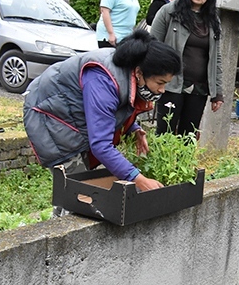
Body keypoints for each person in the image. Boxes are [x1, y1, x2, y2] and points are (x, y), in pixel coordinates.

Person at [23, 30, 182, 192]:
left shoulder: (129, 66)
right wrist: (138, 178)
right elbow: (100, 144)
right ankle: (64, 217)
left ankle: (62, 214)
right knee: (77, 190)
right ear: (140, 72)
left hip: (70, 112)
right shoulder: (103, 79)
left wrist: (133, 128)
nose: (162, 90)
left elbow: (117, 105)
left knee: (77, 190)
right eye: (160, 83)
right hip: (51, 116)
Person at [150, 0, 224, 136]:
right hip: (170, 84)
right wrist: (151, 83)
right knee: (165, 133)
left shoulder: (213, 20)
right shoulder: (168, 12)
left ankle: (183, 163)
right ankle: (162, 163)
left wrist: (217, 92)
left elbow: (216, 58)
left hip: (199, 88)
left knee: (189, 135)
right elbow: (152, 47)